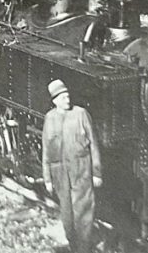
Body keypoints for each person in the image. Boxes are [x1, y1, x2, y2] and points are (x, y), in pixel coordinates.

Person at [42, 79, 102, 253]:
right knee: (67, 214)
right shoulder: (50, 118)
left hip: (81, 170)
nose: (67, 100)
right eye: (63, 98)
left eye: (68, 96)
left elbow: (93, 144)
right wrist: (47, 179)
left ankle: (83, 248)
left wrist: (97, 172)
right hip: (60, 173)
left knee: (83, 213)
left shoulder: (81, 114)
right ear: (55, 101)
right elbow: (46, 150)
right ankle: (73, 245)